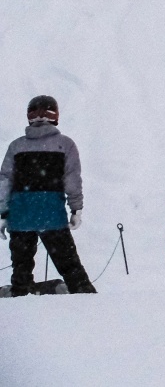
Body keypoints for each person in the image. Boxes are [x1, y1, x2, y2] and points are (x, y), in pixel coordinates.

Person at [2, 96, 91, 295]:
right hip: (52, 216)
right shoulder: (65, 145)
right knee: (71, 268)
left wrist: (3, 213)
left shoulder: (16, 147)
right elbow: (72, 180)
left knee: (21, 271)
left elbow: (4, 182)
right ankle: (88, 302)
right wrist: (76, 209)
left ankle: (21, 298)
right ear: (55, 116)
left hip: (20, 217)